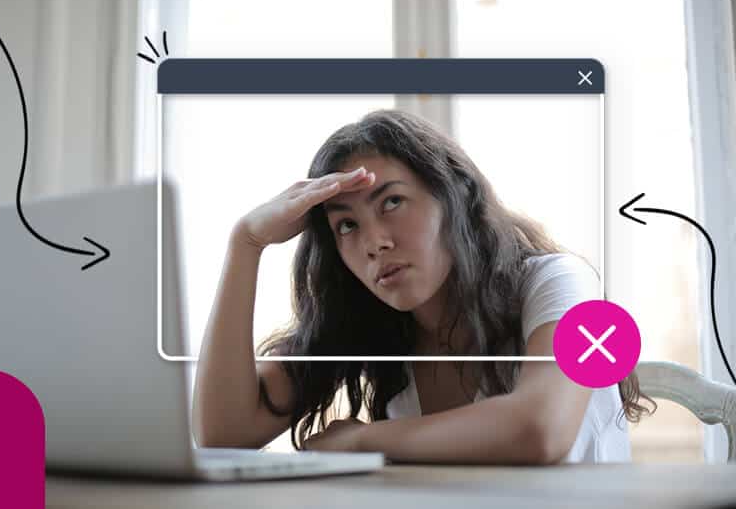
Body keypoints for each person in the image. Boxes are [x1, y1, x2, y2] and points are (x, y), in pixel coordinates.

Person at [192, 109, 655, 464]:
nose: (375, 242)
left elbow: (541, 429)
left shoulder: (562, 281)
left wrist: (360, 440)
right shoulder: (373, 324)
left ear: (454, 197)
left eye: (392, 201)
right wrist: (245, 244)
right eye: (347, 226)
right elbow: (222, 434)